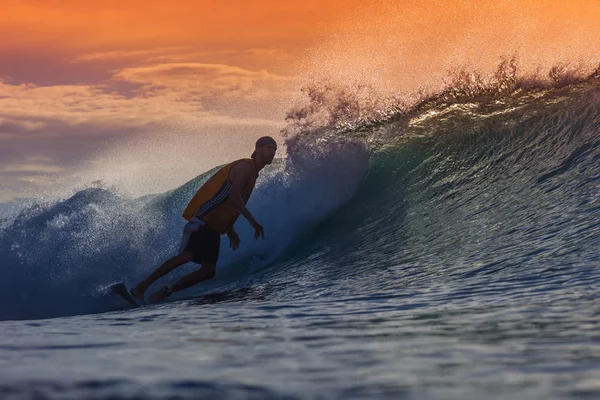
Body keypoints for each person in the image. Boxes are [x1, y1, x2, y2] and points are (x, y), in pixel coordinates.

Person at [130, 136, 277, 303]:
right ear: (257, 149)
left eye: (274, 149)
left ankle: (165, 292)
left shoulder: (253, 173)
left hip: (214, 227)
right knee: (186, 256)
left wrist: (230, 230)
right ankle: (140, 288)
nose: (272, 152)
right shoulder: (245, 167)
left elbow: (226, 204)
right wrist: (253, 222)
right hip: (203, 220)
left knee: (208, 271)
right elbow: (233, 196)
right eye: (268, 148)